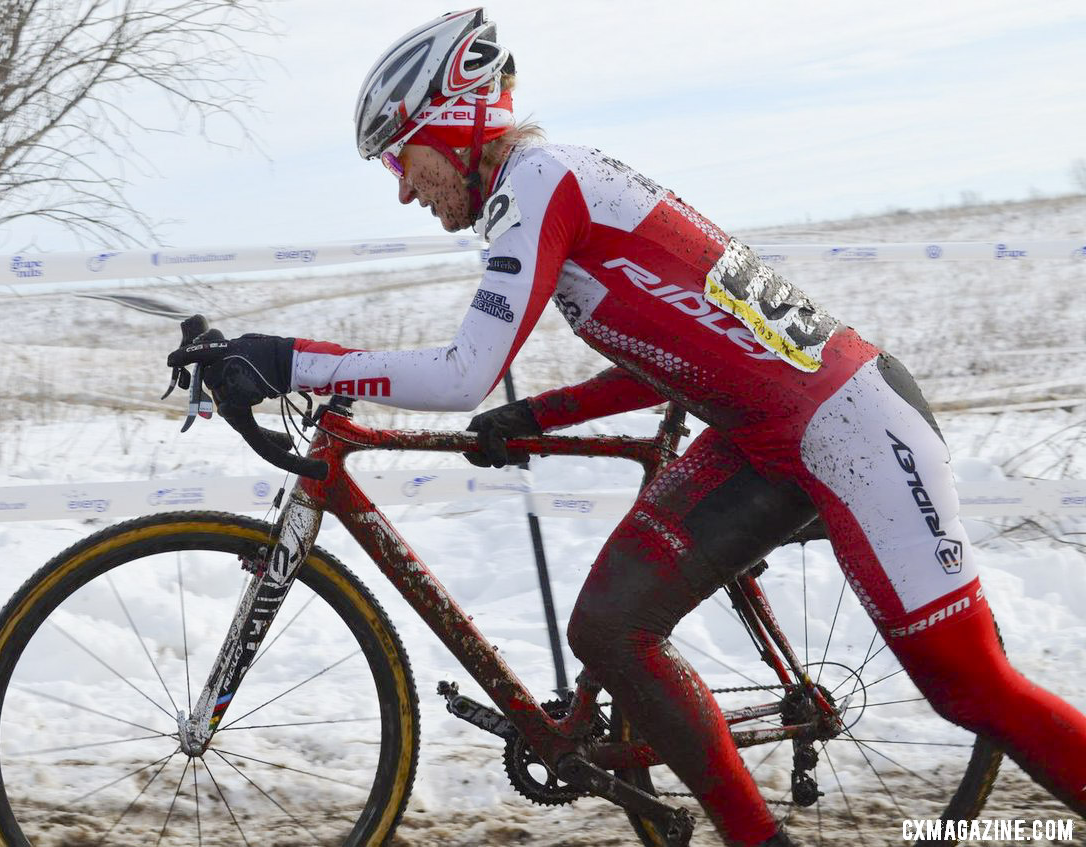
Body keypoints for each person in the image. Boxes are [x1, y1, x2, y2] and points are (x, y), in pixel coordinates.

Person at [168, 8, 1086, 846]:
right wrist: (537, 413)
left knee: (970, 690)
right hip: (764, 439)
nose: (404, 189)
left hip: (851, 429)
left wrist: (287, 360)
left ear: (451, 126)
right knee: (610, 625)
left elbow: (457, 371)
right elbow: (670, 353)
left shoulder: (539, 185)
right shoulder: (544, 186)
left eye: (401, 159)